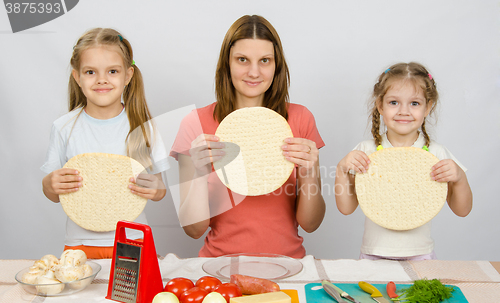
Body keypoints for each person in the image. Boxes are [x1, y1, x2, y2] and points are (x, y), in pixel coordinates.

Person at [170, 15, 326, 258]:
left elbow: (311, 223)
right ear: (227, 63)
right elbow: (193, 229)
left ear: (277, 66)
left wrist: (311, 172)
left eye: (265, 60)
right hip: (219, 268)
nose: (254, 72)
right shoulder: (196, 123)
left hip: (288, 265)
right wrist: (200, 172)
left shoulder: (300, 119)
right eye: (242, 59)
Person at [41, 28, 169, 259]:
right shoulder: (64, 127)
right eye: (90, 72)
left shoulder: (145, 127)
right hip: (79, 244)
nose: (101, 79)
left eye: (112, 71)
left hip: (133, 240)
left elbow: (160, 190)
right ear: (77, 77)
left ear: (128, 76)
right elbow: (53, 193)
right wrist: (50, 184)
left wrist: (154, 188)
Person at [335, 62, 473, 260]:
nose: (404, 111)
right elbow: (346, 208)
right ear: (380, 105)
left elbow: (463, 210)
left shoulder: (436, 153)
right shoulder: (366, 152)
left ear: (428, 107)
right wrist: (341, 170)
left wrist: (459, 178)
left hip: (421, 255)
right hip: (373, 254)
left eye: (414, 103)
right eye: (394, 102)